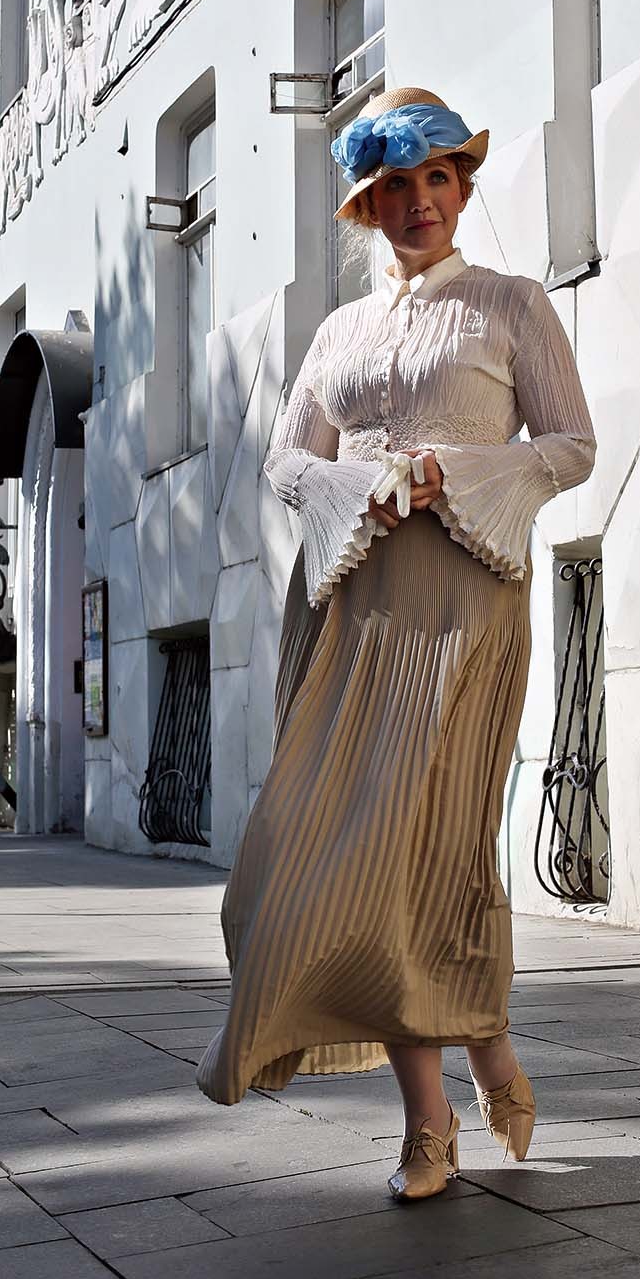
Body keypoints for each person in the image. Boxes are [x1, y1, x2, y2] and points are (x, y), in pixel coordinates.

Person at [196, 85, 596, 1202]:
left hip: (463, 599)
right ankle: (470, 1054)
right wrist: (359, 483)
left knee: (423, 849)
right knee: (305, 850)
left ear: (461, 187)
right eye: (395, 186)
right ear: (367, 206)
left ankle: (439, 1109)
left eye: (437, 178)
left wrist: (452, 474)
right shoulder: (338, 331)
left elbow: (570, 444)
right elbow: (285, 461)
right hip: (342, 598)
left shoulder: (510, 305)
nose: (419, 201)